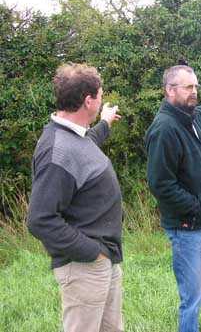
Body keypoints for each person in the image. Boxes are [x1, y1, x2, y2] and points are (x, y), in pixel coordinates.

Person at [27, 63, 124, 332]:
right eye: (100, 97)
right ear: (88, 100)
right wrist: (93, 253)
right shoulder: (57, 151)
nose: (101, 100)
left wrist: (104, 122)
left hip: (103, 261)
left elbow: (86, 145)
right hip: (85, 266)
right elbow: (40, 219)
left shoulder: (73, 136)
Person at [145, 65, 201, 332]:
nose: (194, 92)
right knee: (192, 297)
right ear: (170, 91)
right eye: (188, 87)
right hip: (187, 227)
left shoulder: (193, 117)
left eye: (195, 86)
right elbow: (160, 184)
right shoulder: (164, 129)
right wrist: (194, 208)